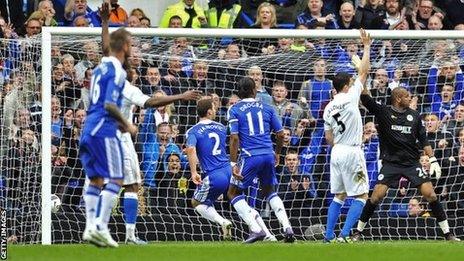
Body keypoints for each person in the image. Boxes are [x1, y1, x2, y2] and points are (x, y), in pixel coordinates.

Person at [99, 2, 202, 244]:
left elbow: (106, 50)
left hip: (106, 135)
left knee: (121, 184)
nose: (134, 67)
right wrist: (181, 96)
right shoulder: (127, 87)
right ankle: (122, 233)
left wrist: (105, 22)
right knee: (130, 185)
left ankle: (113, 231)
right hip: (118, 137)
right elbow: (150, 103)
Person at [351, 86, 460, 241]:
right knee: (376, 196)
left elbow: (424, 140)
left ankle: (448, 233)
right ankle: (358, 231)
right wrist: (361, 79)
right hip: (391, 163)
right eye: (407, 96)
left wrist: (433, 159)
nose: (410, 98)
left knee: (431, 194)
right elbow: (366, 99)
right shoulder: (384, 112)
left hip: (411, 163)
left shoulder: (415, 116)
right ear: (398, 98)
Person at [79, 27, 135, 248]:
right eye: (131, 43)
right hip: (104, 129)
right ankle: (101, 227)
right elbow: (110, 104)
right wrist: (127, 124)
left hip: (88, 128)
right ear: (124, 46)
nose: (132, 48)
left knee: (96, 180)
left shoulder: (100, 67)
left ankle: (90, 228)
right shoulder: (118, 72)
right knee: (117, 178)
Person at [227, 77, 295, 243]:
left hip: (250, 156)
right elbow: (280, 134)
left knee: (232, 192)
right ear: (254, 90)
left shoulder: (234, 109)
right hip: (267, 154)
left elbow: (234, 138)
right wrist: (277, 153)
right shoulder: (267, 107)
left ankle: (256, 229)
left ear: (239, 92)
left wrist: (233, 163)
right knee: (269, 190)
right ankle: (287, 228)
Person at [322, 29, 371, 243]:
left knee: (339, 195)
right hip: (351, 151)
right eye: (350, 83)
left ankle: (328, 236)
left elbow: (328, 138)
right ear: (345, 86)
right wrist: (367, 46)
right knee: (362, 195)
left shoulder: (328, 108)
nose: (353, 85)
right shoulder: (351, 96)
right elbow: (364, 73)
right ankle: (343, 236)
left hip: (337, 152)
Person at [185, 98, 233, 240]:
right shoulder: (221, 127)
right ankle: (261, 230)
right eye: (214, 107)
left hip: (214, 176)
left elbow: (191, 149)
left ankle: (223, 222)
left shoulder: (192, 131)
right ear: (209, 111)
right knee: (238, 199)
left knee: (196, 202)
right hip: (229, 170)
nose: (216, 109)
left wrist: (194, 172)